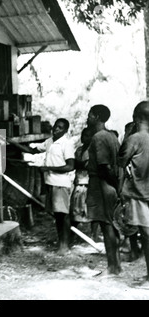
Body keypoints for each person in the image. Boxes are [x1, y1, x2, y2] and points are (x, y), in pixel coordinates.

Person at [8, 118, 75, 255]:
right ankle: (61, 242)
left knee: (64, 215)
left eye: (60, 128)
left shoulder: (66, 144)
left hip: (61, 184)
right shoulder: (50, 142)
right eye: (55, 126)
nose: (56, 129)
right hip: (50, 182)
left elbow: (70, 166)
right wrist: (13, 143)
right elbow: (32, 151)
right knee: (57, 215)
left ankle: (65, 245)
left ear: (65, 130)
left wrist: (48, 168)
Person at [86, 104, 121, 277]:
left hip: (101, 184)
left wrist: (112, 184)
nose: (88, 118)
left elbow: (103, 166)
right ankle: (116, 265)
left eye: (90, 115)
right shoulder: (112, 136)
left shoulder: (98, 137)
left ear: (97, 117)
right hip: (110, 184)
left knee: (106, 225)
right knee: (110, 224)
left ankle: (112, 267)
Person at [118, 101, 149, 288]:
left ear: (136, 118)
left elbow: (120, 164)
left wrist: (121, 190)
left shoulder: (134, 139)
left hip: (140, 195)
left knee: (147, 236)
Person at [70, 127, 101, 243]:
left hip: (89, 184)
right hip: (79, 183)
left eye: (88, 135)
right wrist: (78, 164)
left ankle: (94, 235)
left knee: (92, 212)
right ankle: (72, 236)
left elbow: (87, 165)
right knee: (75, 211)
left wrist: (78, 164)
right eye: (83, 135)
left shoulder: (93, 151)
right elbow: (74, 164)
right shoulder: (79, 150)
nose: (84, 138)